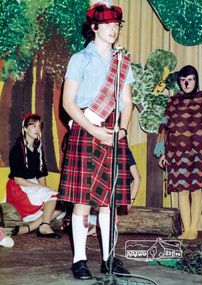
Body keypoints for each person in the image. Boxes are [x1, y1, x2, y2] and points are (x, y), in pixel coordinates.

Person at [59, 1, 134, 280]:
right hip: (86, 129)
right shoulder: (79, 59)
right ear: (94, 27)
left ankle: (109, 259)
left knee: (109, 202)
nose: (113, 29)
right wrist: (94, 129)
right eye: (108, 25)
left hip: (113, 133)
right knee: (82, 201)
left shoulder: (122, 62)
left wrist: (122, 131)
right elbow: (68, 103)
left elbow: (127, 102)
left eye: (117, 25)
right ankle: (79, 260)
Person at [154, 65, 202, 240]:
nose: (186, 83)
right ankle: (186, 230)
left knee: (197, 189)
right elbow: (164, 126)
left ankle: (194, 229)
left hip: (200, 153)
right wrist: (162, 151)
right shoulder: (173, 101)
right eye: (183, 80)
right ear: (179, 82)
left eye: (190, 79)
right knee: (182, 191)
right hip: (177, 153)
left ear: (196, 81)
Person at [6, 113, 64, 239]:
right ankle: (43, 226)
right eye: (33, 126)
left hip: (33, 186)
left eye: (39, 126)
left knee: (63, 204)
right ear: (25, 128)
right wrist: (42, 190)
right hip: (19, 188)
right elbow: (17, 179)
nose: (37, 129)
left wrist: (45, 191)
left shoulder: (38, 149)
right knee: (54, 197)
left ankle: (29, 228)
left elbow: (41, 174)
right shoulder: (17, 150)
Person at [88, 148, 141, 236]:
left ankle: (103, 225)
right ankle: (103, 225)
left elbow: (137, 178)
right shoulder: (100, 150)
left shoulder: (124, 151)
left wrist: (130, 201)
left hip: (121, 191)